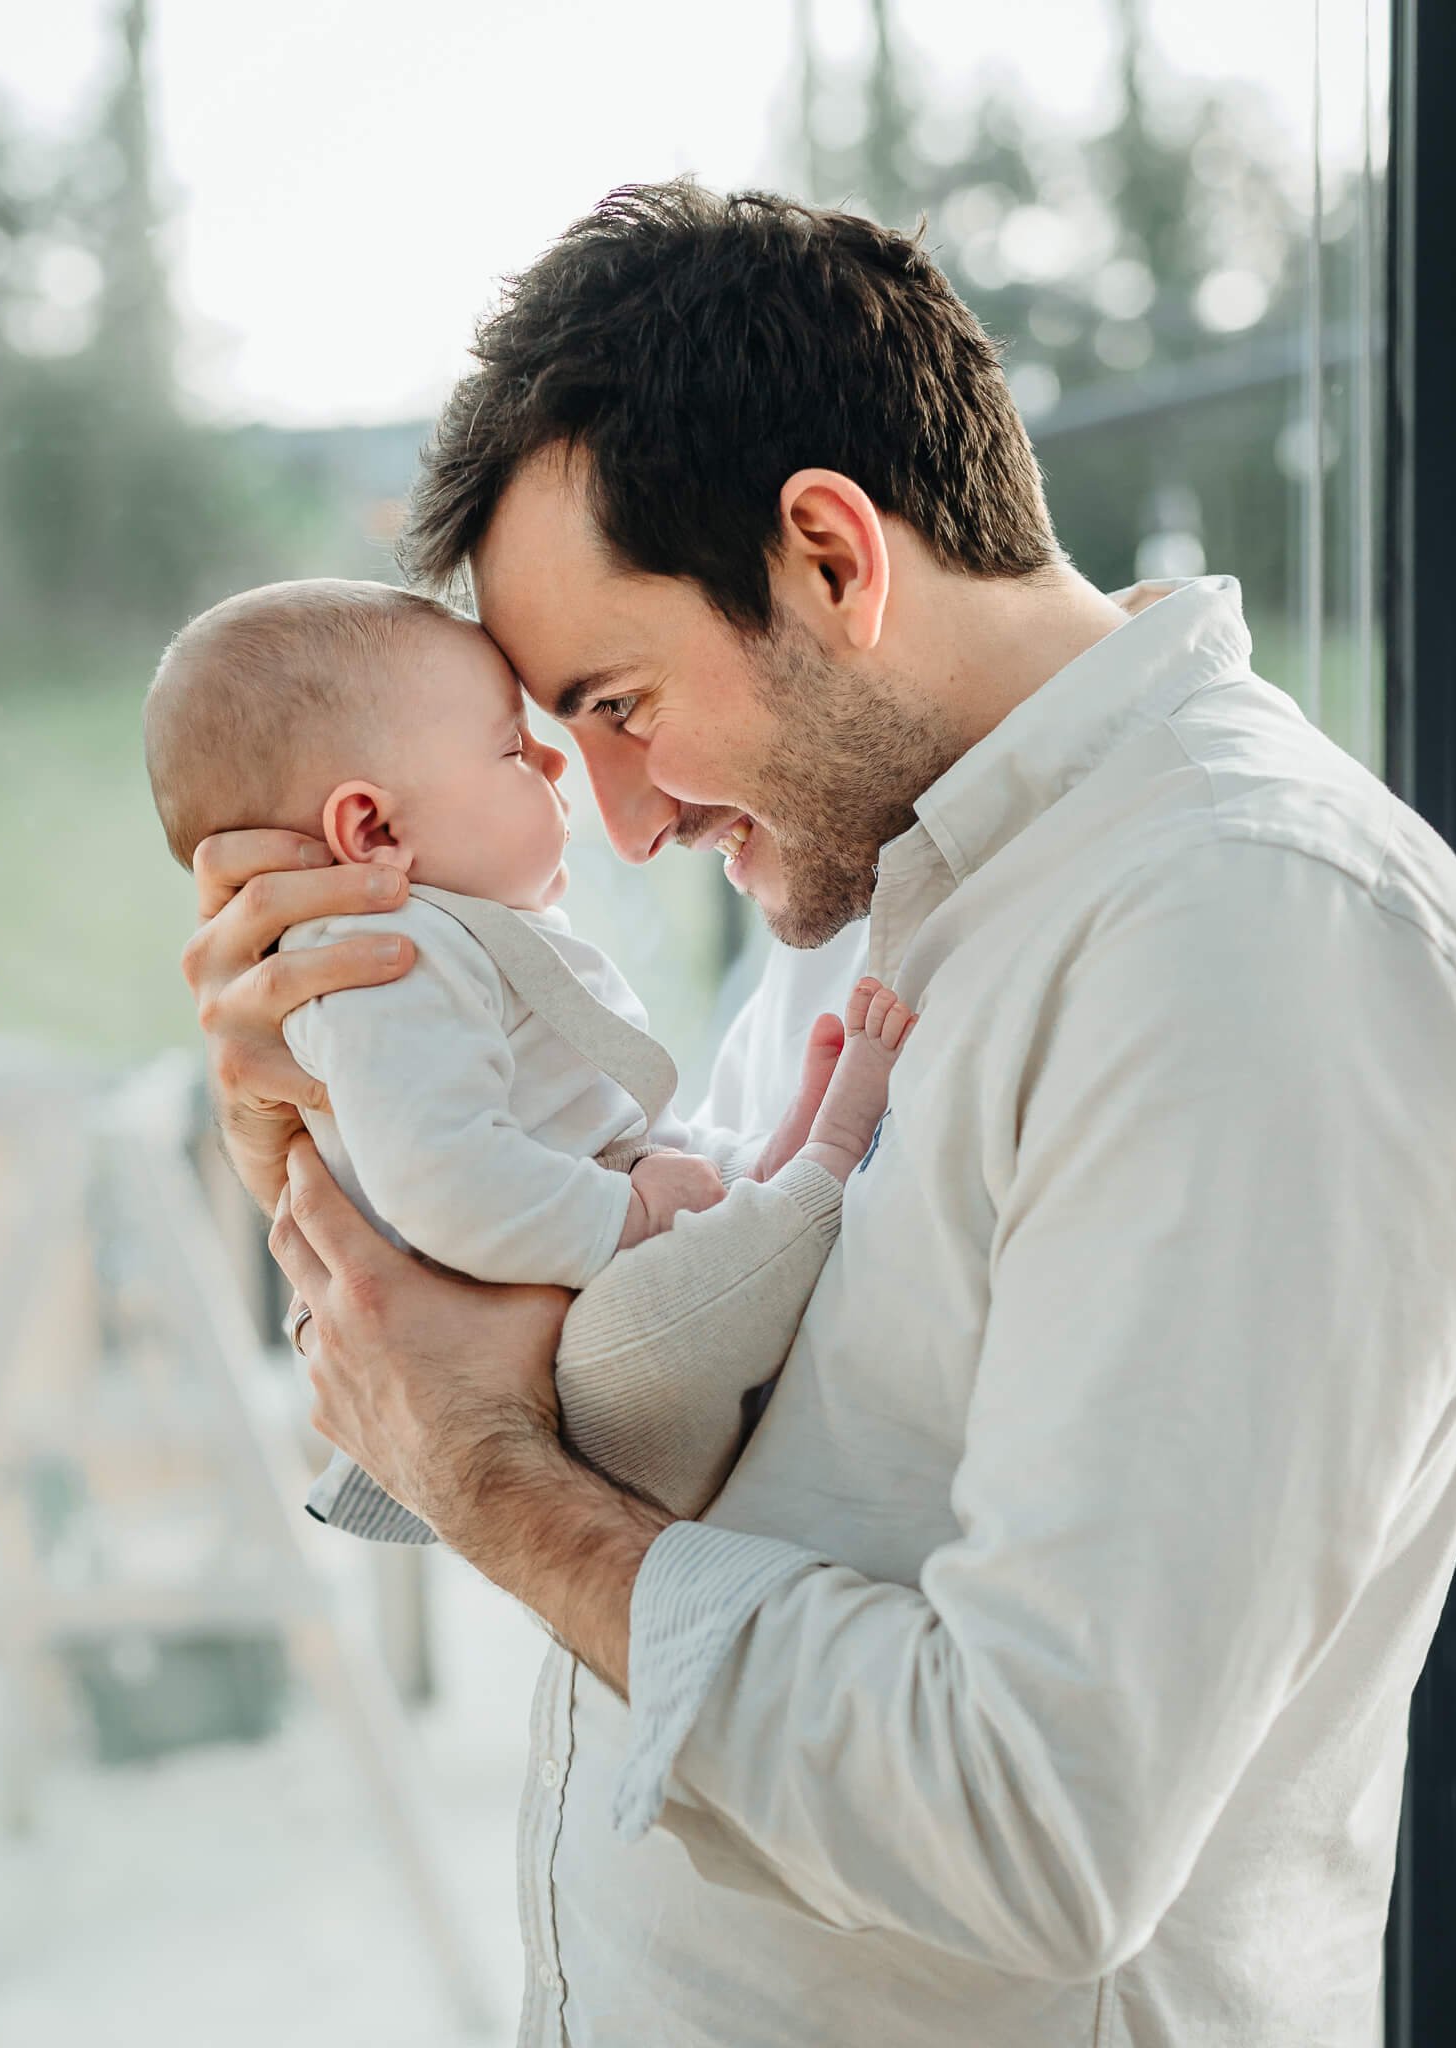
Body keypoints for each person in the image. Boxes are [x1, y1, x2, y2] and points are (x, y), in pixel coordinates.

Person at [182, 183, 1456, 2047]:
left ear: (828, 551)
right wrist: (348, 1167)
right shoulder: (865, 880)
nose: (628, 819)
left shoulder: (1255, 947)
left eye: (623, 701)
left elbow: (1031, 1823)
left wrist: (478, 1476)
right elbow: (669, 1438)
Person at [144, 575, 914, 1531]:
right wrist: (629, 1213)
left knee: (704, 1185)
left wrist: (650, 1191)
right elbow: (446, 1181)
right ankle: (824, 1163)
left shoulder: (428, 943)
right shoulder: (382, 963)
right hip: (577, 1338)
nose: (557, 771)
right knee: (696, 1273)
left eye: (622, 705)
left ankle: (773, 1169)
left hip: (571, 1243)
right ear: (373, 829)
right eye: (515, 749)